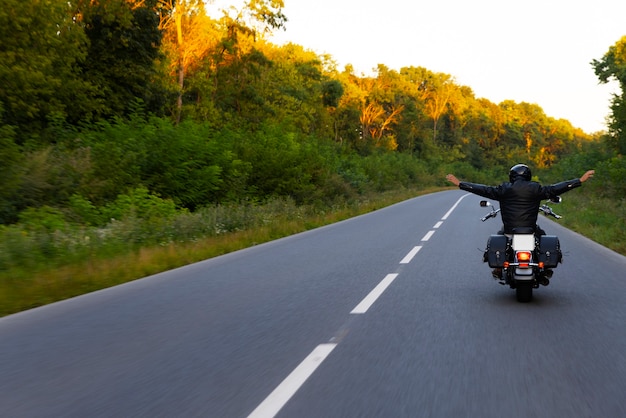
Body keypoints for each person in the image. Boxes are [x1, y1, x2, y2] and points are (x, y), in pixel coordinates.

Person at [446, 164, 595, 278]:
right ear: (528, 176)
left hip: (510, 229)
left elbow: (484, 190)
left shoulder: (504, 189)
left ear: (512, 176)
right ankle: (547, 267)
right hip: (529, 228)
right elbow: (555, 189)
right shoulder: (536, 188)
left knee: (499, 236)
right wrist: (579, 180)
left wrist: (460, 183)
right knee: (541, 235)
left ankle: (498, 268)